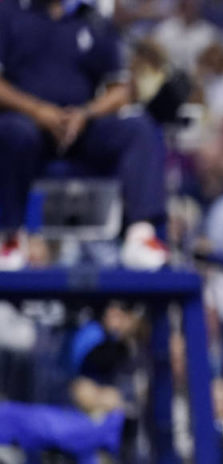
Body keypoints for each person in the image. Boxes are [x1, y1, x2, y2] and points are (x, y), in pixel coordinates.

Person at [0, 0, 167, 268]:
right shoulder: (8, 12)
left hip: (81, 128)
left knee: (139, 128)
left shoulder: (93, 19)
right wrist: (38, 111)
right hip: (26, 124)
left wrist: (85, 114)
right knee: (12, 132)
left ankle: (141, 234)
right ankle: (10, 237)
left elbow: (120, 89)